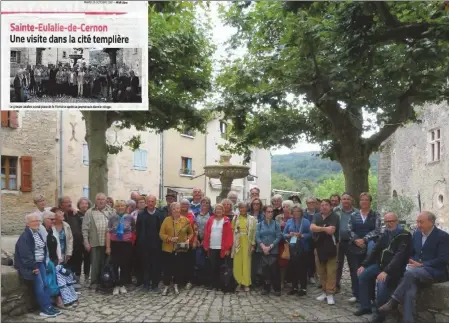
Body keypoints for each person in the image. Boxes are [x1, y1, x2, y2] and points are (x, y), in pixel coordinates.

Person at [379, 211, 449, 323]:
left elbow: (443, 259)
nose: (418, 225)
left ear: (431, 222)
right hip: (414, 272)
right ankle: (408, 320)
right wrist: (411, 261)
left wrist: (422, 265)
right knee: (409, 290)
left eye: (421, 222)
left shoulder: (443, 236)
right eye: (417, 222)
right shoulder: (416, 234)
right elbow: (411, 252)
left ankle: (393, 301)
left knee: (411, 273)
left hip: (435, 272)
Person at [354, 212, 412, 323]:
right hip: (381, 266)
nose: (389, 224)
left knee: (381, 283)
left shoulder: (405, 235)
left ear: (397, 221)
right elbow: (375, 250)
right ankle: (365, 306)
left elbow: (399, 256)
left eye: (392, 221)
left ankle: (380, 314)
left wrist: (386, 271)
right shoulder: (385, 233)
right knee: (363, 275)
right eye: (387, 221)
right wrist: (364, 264)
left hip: (394, 269)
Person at [14, 213, 61, 317]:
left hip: (41, 264)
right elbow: (25, 255)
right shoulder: (25, 237)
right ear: (27, 224)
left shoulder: (37, 233)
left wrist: (43, 262)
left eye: (37, 221)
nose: (36, 223)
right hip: (33, 266)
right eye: (33, 221)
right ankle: (44, 309)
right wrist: (34, 267)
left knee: (45, 285)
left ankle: (48, 306)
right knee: (39, 286)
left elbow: (43, 250)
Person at [347, 192, 381, 303]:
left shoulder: (375, 215)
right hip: (355, 246)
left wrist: (365, 239)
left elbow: (377, 230)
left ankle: (370, 297)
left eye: (366, 199)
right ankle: (357, 295)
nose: (364, 202)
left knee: (368, 271)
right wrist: (357, 240)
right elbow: (349, 229)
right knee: (355, 271)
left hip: (370, 247)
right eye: (362, 200)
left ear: (370, 202)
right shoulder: (353, 215)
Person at [159, 202, 194, 296]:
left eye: (178, 208)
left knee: (179, 268)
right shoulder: (166, 220)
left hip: (180, 248)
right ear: (171, 210)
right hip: (168, 248)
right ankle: (166, 286)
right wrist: (170, 239)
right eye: (174, 209)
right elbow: (161, 234)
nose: (176, 210)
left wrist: (188, 240)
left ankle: (176, 285)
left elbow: (191, 233)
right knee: (167, 269)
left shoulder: (185, 220)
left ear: (180, 209)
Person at [82, 193, 115, 289]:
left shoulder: (111, 211)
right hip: (95, 242)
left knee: (107, 263)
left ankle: (106, 281)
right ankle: (94, 283)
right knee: (95, 263)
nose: (101, 201)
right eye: (99, 199)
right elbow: (85, 228)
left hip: (108, 242)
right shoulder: (89, 212)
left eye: (103, 199)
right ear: (95, 201)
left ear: (106, 200)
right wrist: (86, 242)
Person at [310, 199, 340, 305]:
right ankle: (324, 291)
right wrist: (324, 229)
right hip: (319, 246)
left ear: (330, 206)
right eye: (322, 205)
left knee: (331, 271)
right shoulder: (317, 216)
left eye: (326, 205)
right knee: (321, 271)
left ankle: (330, 293)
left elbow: (331, 230)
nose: (324, 207)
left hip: (331, 246)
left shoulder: (335, 216)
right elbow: (312, 228)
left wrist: (320, 228)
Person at [106, 200, 135, 295]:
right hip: (115, 244)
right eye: (118, 206)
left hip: (126, 245)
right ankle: (116, 285)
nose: (120, 207)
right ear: (115, 207)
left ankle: (122, 284)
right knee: (115, 265)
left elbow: (134, 231)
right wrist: (108, 247)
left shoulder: (130, 218)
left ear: (126, 207)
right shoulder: (112, 218)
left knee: (124, 265)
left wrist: (131, 240)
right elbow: (108, 232)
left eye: (122, 206)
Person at [135, 195, 164, 291]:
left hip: (157, 243)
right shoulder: (141, 214)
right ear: (146, 202)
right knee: (145, 264)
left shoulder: (160, 214)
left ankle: (155, 284)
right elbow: (138, 229)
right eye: (149, 201)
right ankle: (146, 284)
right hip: (145, 244)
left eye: (152, 201)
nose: (151, 203)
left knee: (156, 264)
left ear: (155, 202)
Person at [202, 203, 233, 291]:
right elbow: (206, 233)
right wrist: (205, 244)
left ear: (223, 211)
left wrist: (227, 248)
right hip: (212, 246)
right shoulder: (210, 219)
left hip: (222, 248)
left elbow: (229, 236)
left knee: (221, 267)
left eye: (220, 209)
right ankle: (213, 284)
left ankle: (221, 284)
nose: (218, 211)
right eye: (217, 209)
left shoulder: (226, 220)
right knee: (213, 266)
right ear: (214, 211)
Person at [283, 206, 311, 296]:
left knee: (302, 269)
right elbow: (283, 234)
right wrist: (289, 235)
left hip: (303, 247)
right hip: (292, 247)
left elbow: (310, 234)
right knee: (293, 268)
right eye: (294, 211)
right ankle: (294, 287)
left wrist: (301, 235)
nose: (296, 213)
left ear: (301, 212)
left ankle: (303, 288)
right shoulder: (289, 221)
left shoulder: (306, 221)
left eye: (298, 211)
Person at [335, 192, 359, 295]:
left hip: (351, 242)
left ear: (352, 201)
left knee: (353, 266)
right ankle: (335, 286)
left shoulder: (357, 212)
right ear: (341, 200)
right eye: (344, 199)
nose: (345, 201)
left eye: (348, 199)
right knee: (337, 265)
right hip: (338, 242)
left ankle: (355, 290)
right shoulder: (335, 211)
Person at [256, 205, 282, 296]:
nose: (270, 213)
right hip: (262, 250)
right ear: (264, 213)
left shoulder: (276, 224)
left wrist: (270, 247)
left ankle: (276, 288)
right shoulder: (259, 224)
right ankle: (266, 288)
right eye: (268, 211)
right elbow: (257, 237)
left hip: (273, 250)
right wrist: (263, 247)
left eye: (271, 212)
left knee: (274, 270)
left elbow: (278, 237)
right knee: (265, 271)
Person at [232, 201, 257, 292]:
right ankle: (238, 282)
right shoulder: (235, 218)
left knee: (247, 263)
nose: (243, 209)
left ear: (247, 208)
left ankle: (246, 283)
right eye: (241, 207)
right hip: (238, 242)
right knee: (237, 263)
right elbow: (232, 231)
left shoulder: (252, 219)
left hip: (248, 241)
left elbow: (254, 233)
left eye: (244, 207)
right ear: (239, 208)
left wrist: (253, 245)